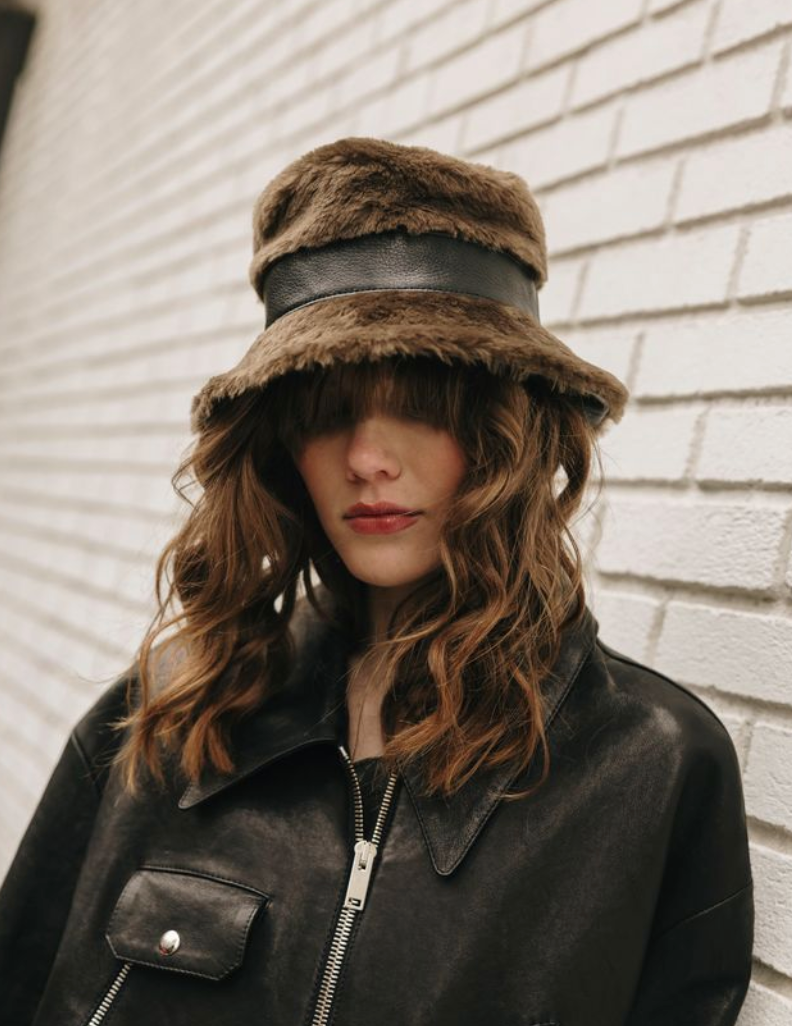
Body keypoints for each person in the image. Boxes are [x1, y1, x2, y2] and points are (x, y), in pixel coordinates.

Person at [0, 136, 753, 1026]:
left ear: (507, 430)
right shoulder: (164, 715)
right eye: (325, 412)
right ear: (279, 444)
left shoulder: (651, 769)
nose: (366, 460)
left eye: (421, 406)